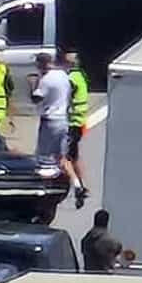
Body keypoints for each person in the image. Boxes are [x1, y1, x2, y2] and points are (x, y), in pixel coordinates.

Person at [29, 52, 71, 162]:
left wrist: (32, 84)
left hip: (50, 121)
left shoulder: (46, 80)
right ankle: (71, 179)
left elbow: (36, 99)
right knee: (60, 156)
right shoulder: (63, 74)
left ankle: (46, 178)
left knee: (44, 156)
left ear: (42, 64)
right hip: (63, 120)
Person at [63, 49, 90, 208]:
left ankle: (77, 187)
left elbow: (64, 98)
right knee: (74, 157)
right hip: (79, 122)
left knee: (64, 158)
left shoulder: (71, 79)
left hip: (71, 123)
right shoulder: (81, 76)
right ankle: (81, 184)